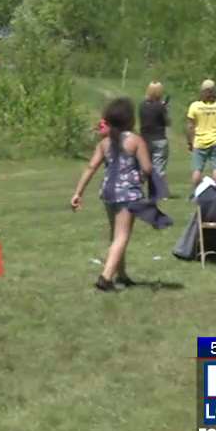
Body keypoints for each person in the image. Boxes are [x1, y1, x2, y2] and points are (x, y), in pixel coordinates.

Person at [71, 98, 155, 292]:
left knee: (115, 235)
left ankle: (121, 274)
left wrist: (78, 193)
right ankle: (106, 277)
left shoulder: (105, 143)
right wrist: (142, 176)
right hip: (128, 194)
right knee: (122, 236)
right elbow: (147, 168)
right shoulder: (135, 140)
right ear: (129, 119)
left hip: (108, 192)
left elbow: (91, 167)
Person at [185, 79, 216, 193]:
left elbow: (190, 126)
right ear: (214, 91)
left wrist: (190, 142)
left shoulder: (195, 106)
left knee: (197, 171)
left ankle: (197, 194)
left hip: (199, 141)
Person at [140, 82, 170, 180]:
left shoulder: (142, 105)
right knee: (158, 169)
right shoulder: (160, 107)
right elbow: (167, 122)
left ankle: (135, 190)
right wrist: (165, 110)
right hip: (159, 138)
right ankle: (158, 192)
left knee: (144, 168)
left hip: (145, 139)